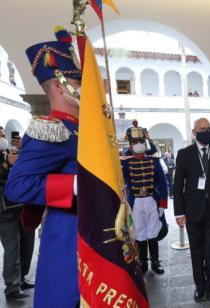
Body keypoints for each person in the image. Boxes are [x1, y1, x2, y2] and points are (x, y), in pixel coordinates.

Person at [5, 28, 82, 307]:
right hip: (68, 239)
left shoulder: (82, 128)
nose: (85, 88)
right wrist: (74, 186)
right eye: (78, 81)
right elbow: (17, 185)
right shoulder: (50, 130)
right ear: (61, 86)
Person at [173, 118, 210, 302]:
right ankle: (199, 286)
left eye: (208, 129)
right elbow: (177, 185)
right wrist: (179, 212)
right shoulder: (184, 154)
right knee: (197, 251)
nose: (206, 131)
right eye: (202, 129)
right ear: (194, 132)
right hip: (192, 211)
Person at [121, 127, 168, 275]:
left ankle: (155, 261)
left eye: (141, 141)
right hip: (135, 201)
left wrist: (163, 203)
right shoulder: (125, 162)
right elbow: (121, 181)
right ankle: (142, 262)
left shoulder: (153, 160)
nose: (139, 144)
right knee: (139, 231)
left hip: (151, 200)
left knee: (153, 231)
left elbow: (162, 181)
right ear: (130, 144)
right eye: (135, 142)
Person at [0, 131, 28, 301]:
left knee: (24, 245)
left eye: (3, 134)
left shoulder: (8, 153)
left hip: (17, 204)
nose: (3, 137)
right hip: (4, 210)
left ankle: (21, 279)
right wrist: (5, 166)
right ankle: (12, 287)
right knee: (12, 247)